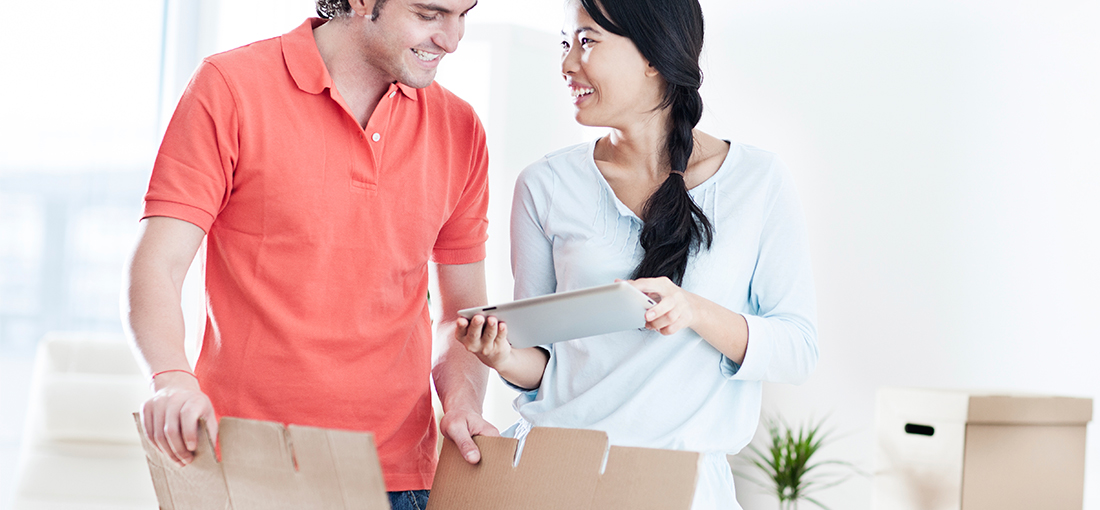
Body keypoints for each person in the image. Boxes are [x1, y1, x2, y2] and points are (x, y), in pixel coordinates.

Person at [124, 1, 497, 507]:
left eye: (463, 16)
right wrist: (170, 379)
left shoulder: (461, 130)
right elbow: (160, 264)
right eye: (430, 15)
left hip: (397, 481)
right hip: (246, 468)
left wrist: (461, 399)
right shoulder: (230, 86)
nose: (451, 41)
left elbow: (461, 314)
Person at [455, 0, 819, 507]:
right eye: (564, 44)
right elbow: (547, 363)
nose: (566, 64)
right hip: (558, 474)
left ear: (654, 54)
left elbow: (797, 348)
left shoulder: (757, 181)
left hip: (684, 488)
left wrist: (693, 311)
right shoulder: (544, 185)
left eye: (586, 42)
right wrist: (502, 356)